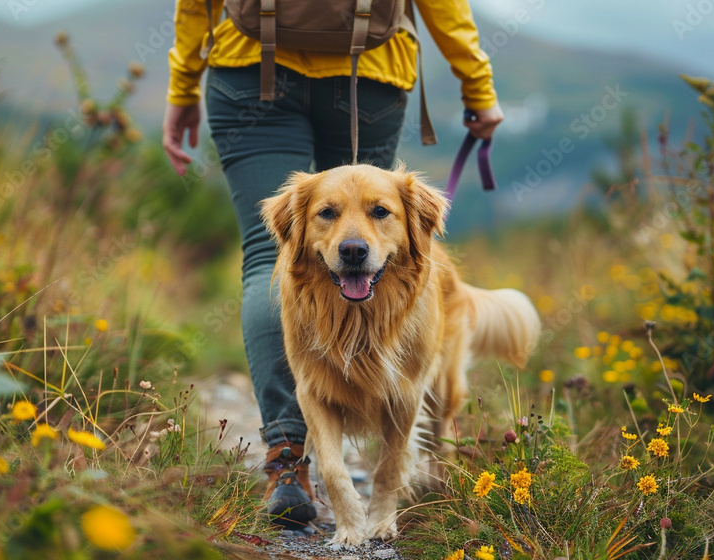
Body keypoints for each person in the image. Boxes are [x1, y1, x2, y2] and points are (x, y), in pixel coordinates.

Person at [162, 0, 503, 528]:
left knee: (275, 254)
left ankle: (286, 461)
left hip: (247, 66)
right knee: (363, 239)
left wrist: (183, 84)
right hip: (369, 66)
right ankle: (339, 427)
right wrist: (476, 85)